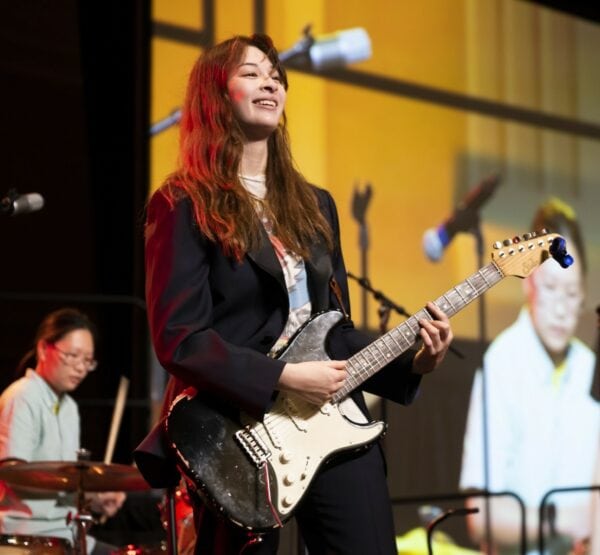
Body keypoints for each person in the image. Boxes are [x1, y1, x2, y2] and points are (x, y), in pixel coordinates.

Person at [142, 33, 453, 554]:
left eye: (275, 74)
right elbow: (181, 338)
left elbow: (338, 330)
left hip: (331, 421)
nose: (270, 80)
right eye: (250, 72)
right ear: (216, 96)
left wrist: (414, 363)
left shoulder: (316, 205)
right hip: (237, 434)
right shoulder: (182, 201)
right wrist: (284, 376)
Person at [459, 198, 600, 554]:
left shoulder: (589, 366)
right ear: (529, 283)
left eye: (571, 294)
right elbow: (481, 516)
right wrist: (566, 521)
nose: (561, 308)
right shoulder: (503, 363)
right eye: (551, 288)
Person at [0, 308, 125, 555]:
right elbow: (13, 471)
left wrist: (94, 499)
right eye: (73, 356)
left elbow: (64, 483)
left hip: (69, 534)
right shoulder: (23, 396)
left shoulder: (69, 407)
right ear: (43, 349)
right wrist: (77, 486)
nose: (81, 367)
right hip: (30, 536)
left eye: (88, 360)